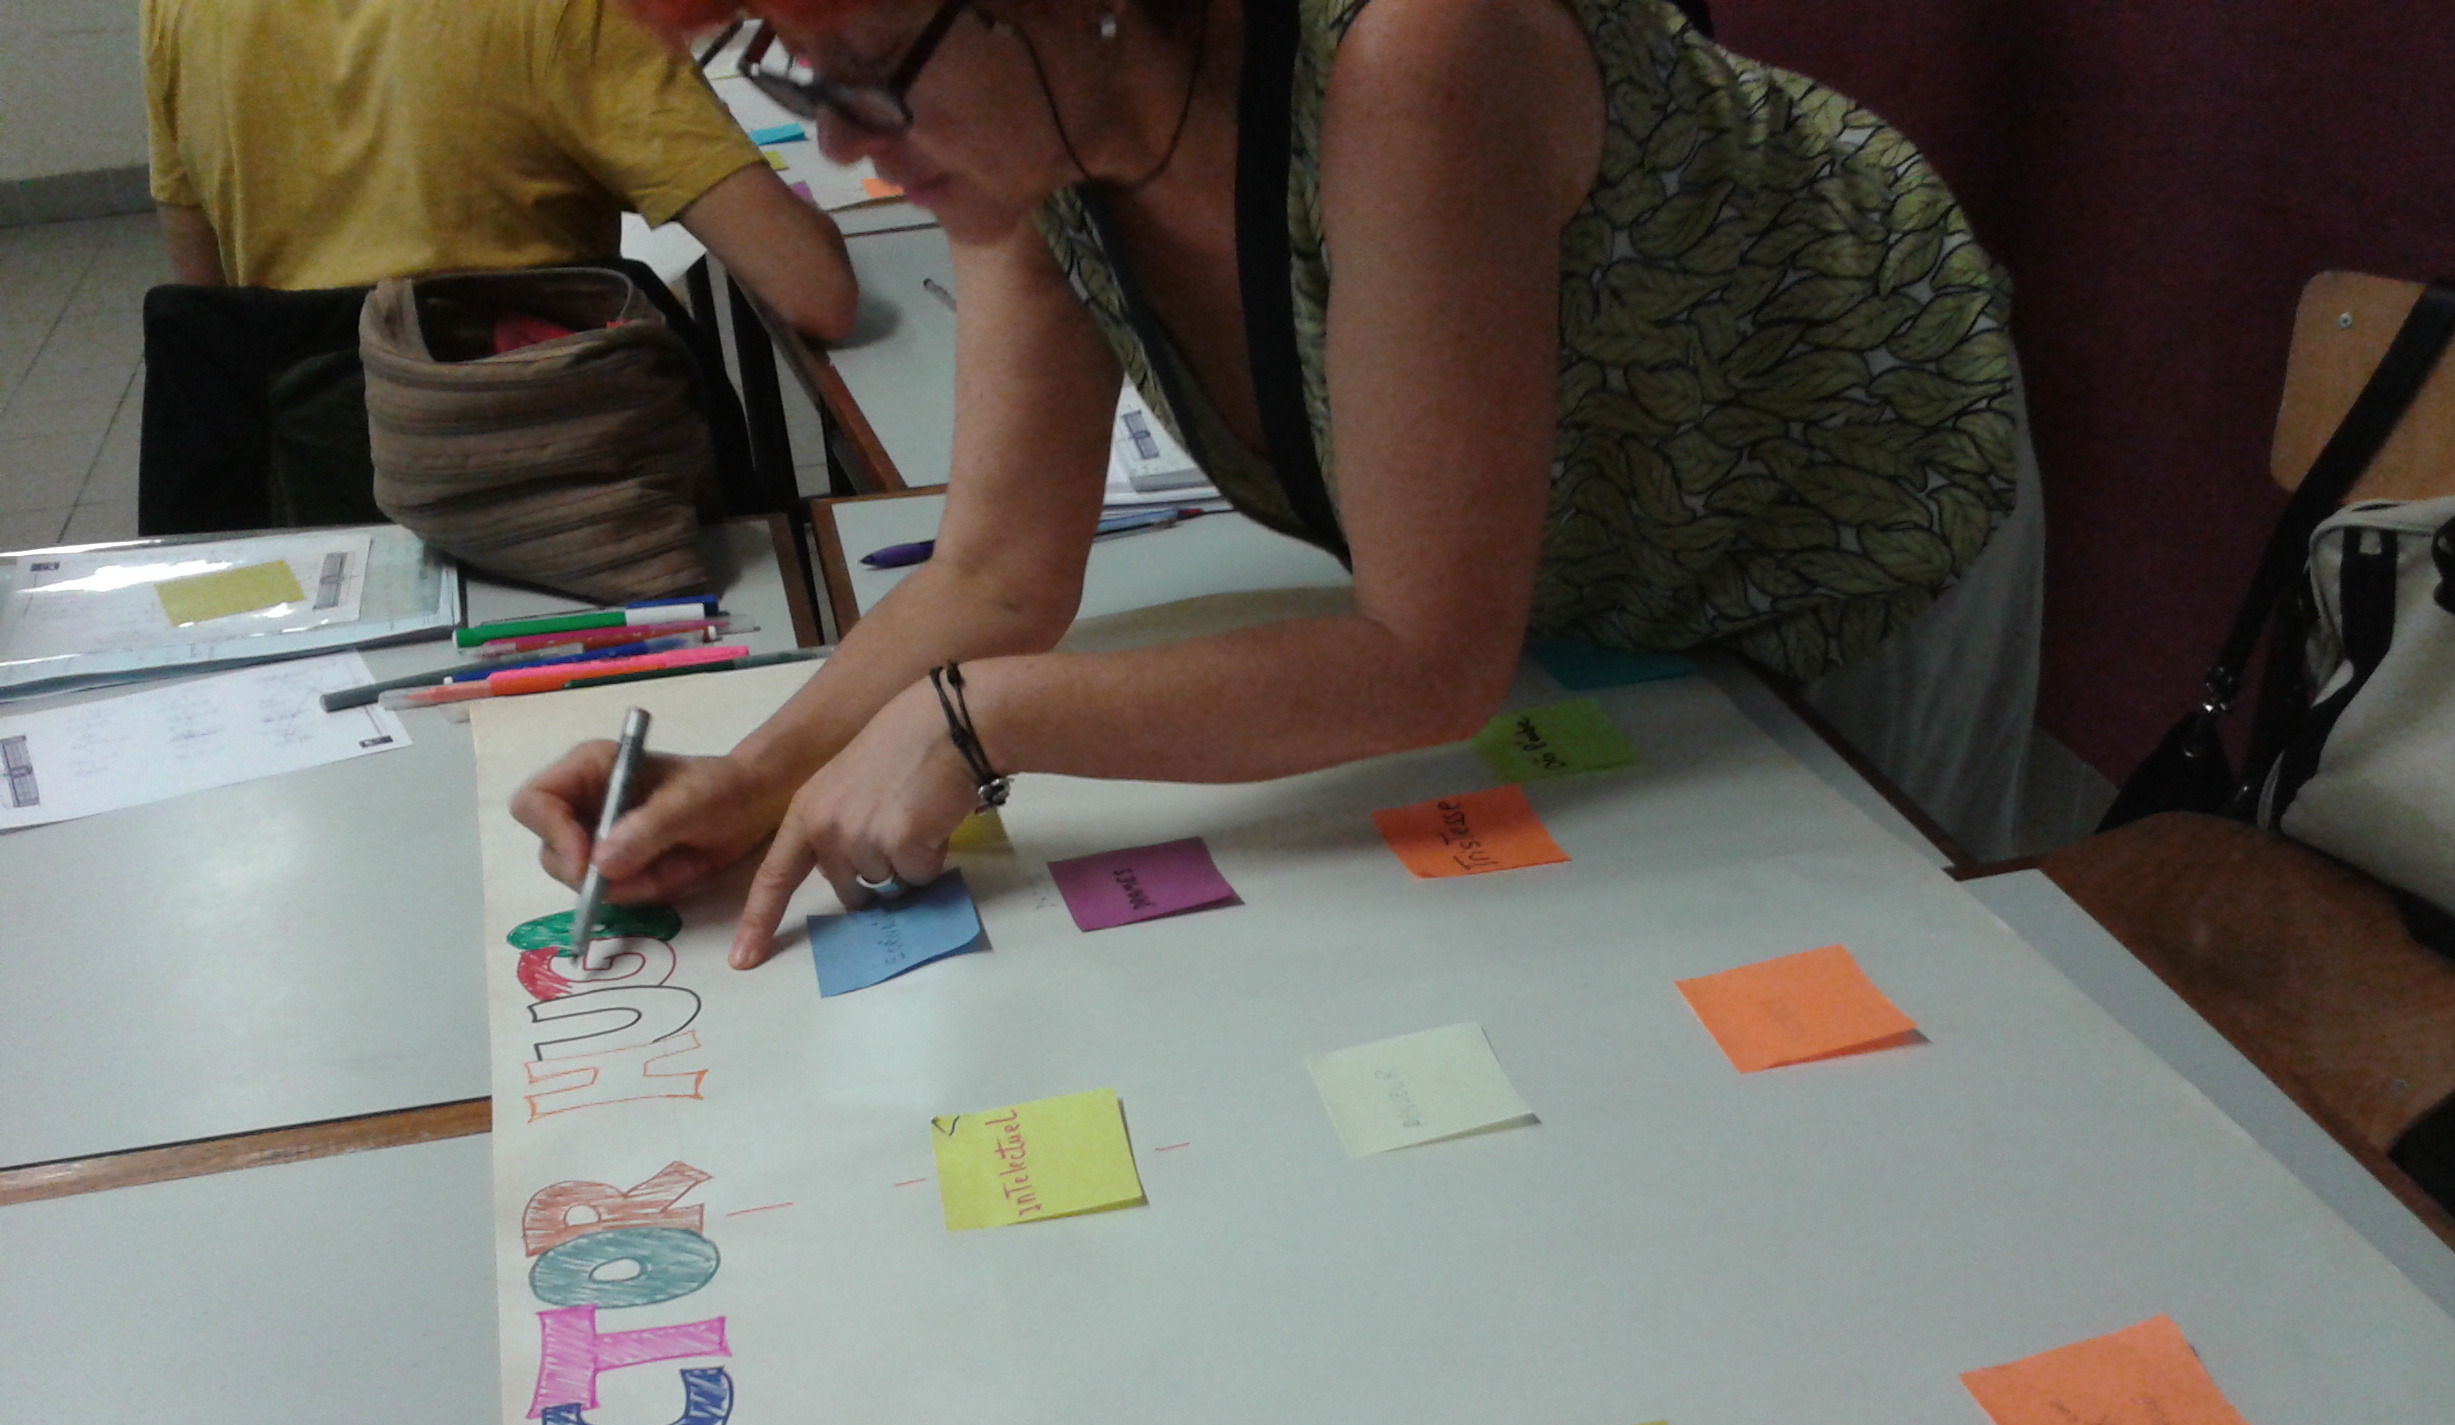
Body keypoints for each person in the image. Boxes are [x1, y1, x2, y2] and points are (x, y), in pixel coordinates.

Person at [516, 0, 2041, 963]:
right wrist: (750, 779)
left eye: (870, 75)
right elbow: (994, 573)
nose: (851, 151)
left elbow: (1427, 656)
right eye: (806, 79)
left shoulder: (1417, 51)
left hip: (1840, 488)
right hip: (1591, 558)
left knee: (1883, 989)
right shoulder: (1031, 130)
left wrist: (979, 723)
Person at [143, 0, 858, 339]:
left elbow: (208, 310)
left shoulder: (176, 10)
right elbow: (814, 292)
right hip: (544, 471)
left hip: (315, 498)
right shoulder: (568, 14)